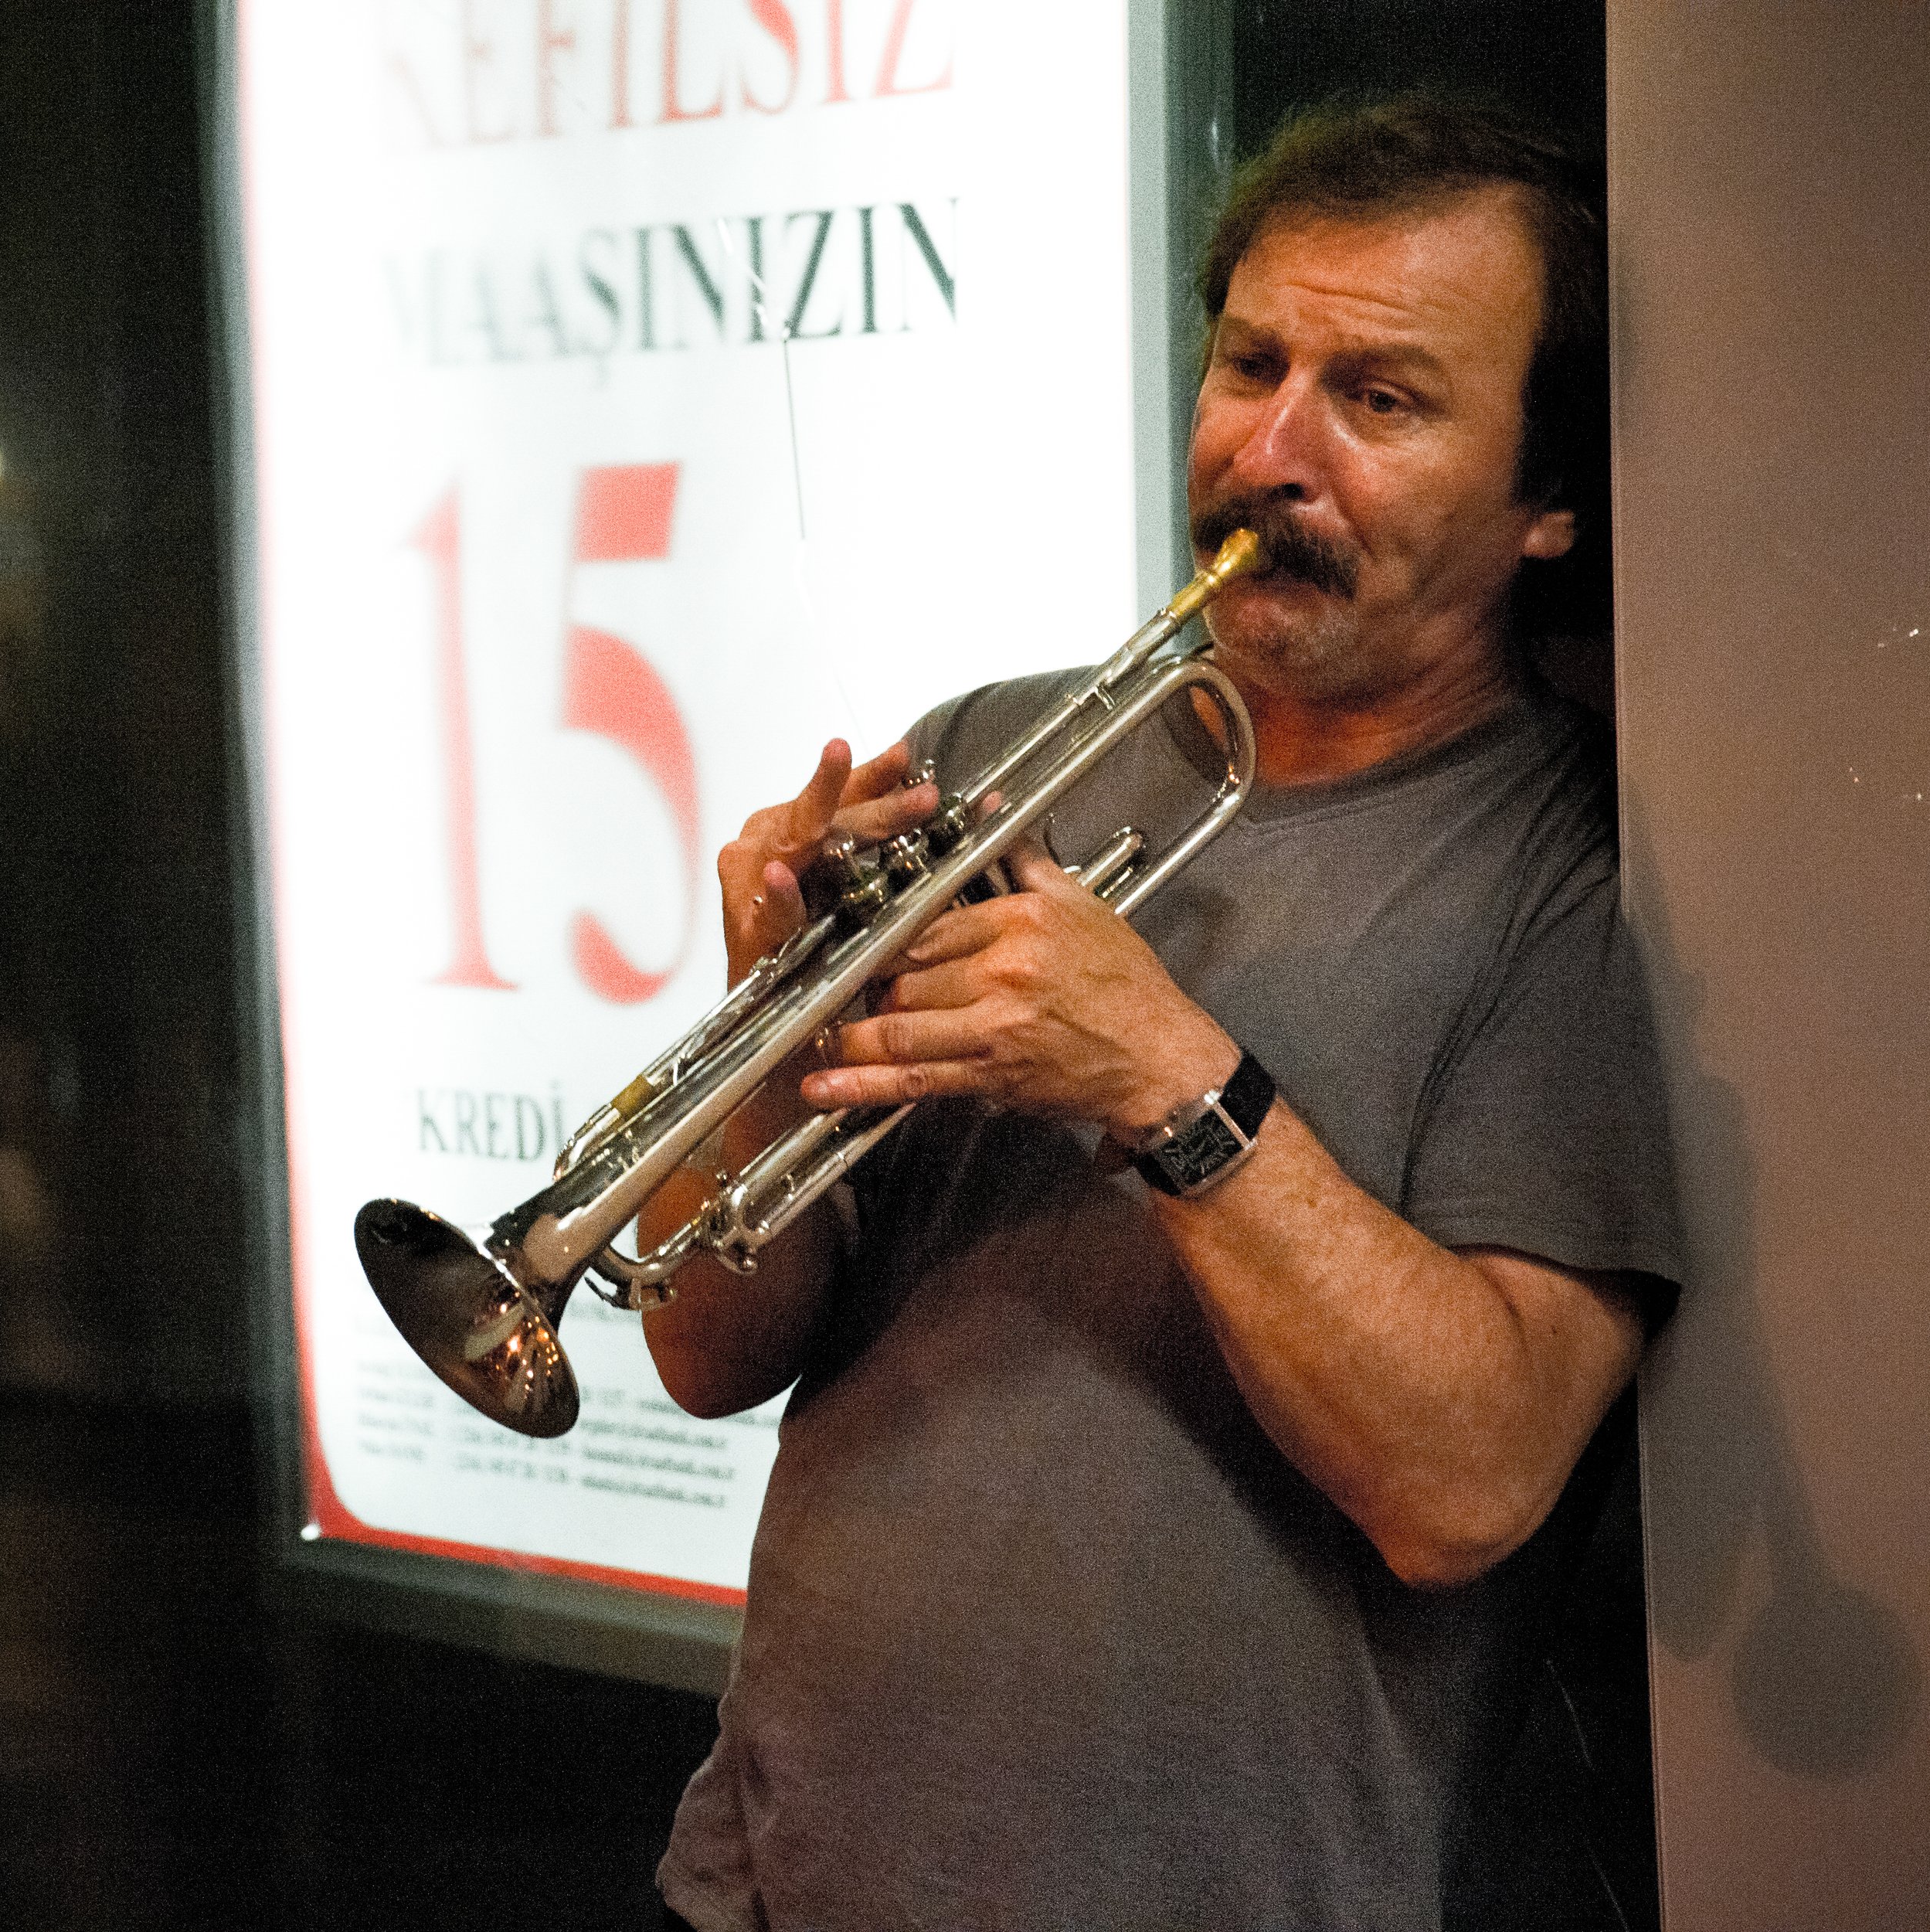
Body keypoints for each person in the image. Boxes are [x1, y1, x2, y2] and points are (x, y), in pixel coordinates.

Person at [648, 97, 1682, 1932]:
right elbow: (710, 1350)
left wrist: (1161, 1070)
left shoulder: (1583, 871)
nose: (1267, 449)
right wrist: (762, 1040)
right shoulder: (984, 752)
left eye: (1378, 399)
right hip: (774, 1876)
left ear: (1548, 504)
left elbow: (1470, 1477)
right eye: (1249, 362)